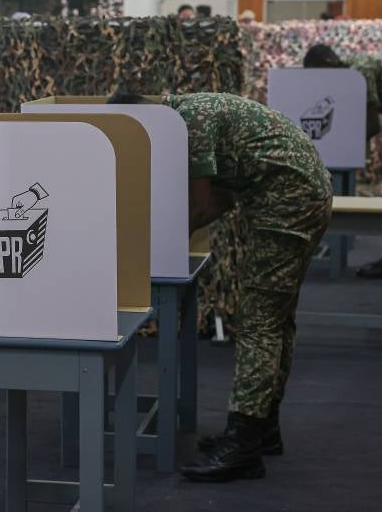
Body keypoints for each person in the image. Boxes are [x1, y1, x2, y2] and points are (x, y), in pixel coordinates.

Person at [108, 92, 333, 483]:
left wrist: (153, 253)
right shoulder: (189, 114)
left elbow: (198, 206)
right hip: (297, 193)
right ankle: (262, 428)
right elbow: (221, 200)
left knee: (259, 322)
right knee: (277, 318)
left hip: (289, 201)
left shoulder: (190, 123)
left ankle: (243, 445)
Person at [303, 43, 382, 278]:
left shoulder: (360, 72)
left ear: (328, 65)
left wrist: (342, 146)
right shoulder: (350, 75)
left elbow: (372, 125)